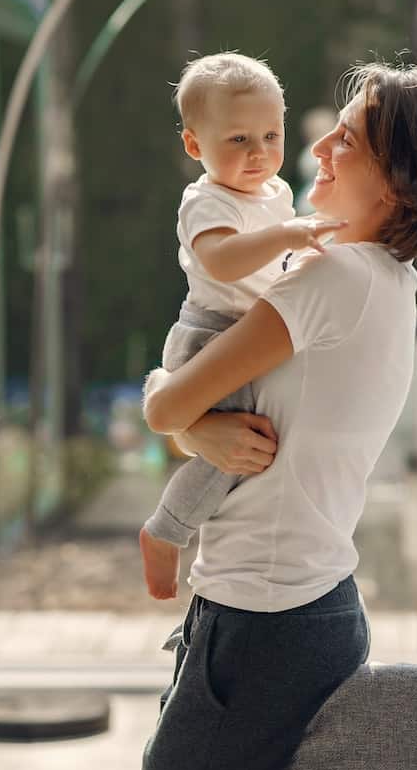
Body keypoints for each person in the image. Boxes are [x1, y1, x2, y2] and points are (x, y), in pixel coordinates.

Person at [134, 62, 417, 770]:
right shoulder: (384, 279)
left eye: (348, 137)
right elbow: (231, 418)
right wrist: (202, 432)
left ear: (398, 182)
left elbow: (163, 408)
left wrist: (188, 422)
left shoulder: (333, 280)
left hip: (264, 617)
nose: (318, 148)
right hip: (290, 604)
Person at [139, 52, 345, 600]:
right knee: (229, 456)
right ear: (194, 146)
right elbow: (224, 262)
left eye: (271, 136)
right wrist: (287, 238)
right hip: (211, 332)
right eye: (237, 140)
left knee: (239, 449)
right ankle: (167, 531)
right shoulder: (205, 201)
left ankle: (178, 529)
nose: (259, 154)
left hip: (244, 328)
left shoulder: (275, 191)